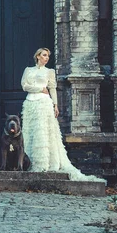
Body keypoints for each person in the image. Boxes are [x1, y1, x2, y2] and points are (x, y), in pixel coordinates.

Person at [21, 48, 106, 183]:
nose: (46, 58)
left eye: (48, 56)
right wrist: (39, 89)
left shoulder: (49, 72)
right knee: (30, 131)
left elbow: (52, 89)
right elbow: (24, 86)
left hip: (44, 103)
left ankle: (43, 164)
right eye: (44, 55)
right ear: (37, 56)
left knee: (42, 132)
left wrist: (55, 105)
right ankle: (27, 162)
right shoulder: (28, 70)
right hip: (30, 104)